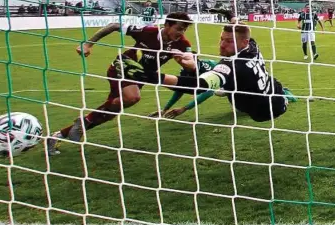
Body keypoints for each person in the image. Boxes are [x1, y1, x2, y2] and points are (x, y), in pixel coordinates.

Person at [46, 12, 193, 155]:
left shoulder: (182, 44)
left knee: (109, 113)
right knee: (132, 98)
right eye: (179, 28)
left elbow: (191, 64)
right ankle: (84, 121)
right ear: (167, 25)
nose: (181, 32)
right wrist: (88, 44)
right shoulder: (148, 31)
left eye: (185, 29)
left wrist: (184, 62)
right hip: (123, 67)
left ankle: (57, 136)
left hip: (141, 76)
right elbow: (114, 26)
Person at [153, 21, 297, 122]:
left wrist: (155, 77)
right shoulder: (252, 45)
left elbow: (199, 85)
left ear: (243, 42)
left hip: (265, 110)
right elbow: (242, 28)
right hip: (270, 87)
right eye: (221, 39)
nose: (222, 45)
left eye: (229, 41)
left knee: (219, 90)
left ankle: (287, 97)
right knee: (226, 89)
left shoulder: (231, 66)